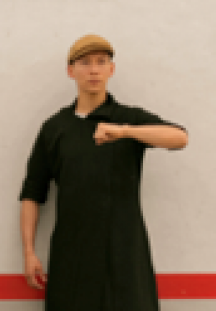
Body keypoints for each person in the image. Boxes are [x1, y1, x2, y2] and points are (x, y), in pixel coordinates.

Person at [18, 34, 188, 310]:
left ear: (112, 69)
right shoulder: (55, 128)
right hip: (72, 255)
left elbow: (180, 138)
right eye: (85, 62)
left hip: (125, 252)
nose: (94, 69)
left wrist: (125, 131)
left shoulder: (129, 118)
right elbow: (31, 193)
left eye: (101, 61)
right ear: (71, 71)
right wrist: (28, 252)